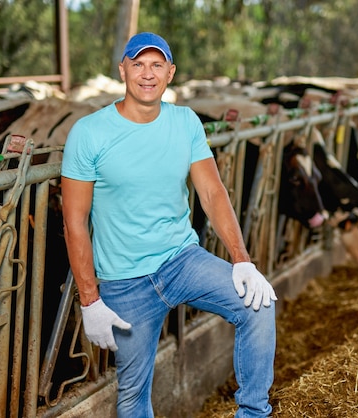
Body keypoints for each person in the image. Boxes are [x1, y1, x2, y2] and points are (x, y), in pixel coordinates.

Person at [61, 32, 277, 418]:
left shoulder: (185, 121)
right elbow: (74, 221)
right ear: (122, 69)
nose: (147, 74)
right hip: (124, 281)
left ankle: (254, 413)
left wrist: (242, 260)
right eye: (139, 64)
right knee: (132, 396)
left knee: (258, 307)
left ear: (170, 73)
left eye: (156, 65)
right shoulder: (89, 133)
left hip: (181, 260)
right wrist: (89, 300)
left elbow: (212, 193)